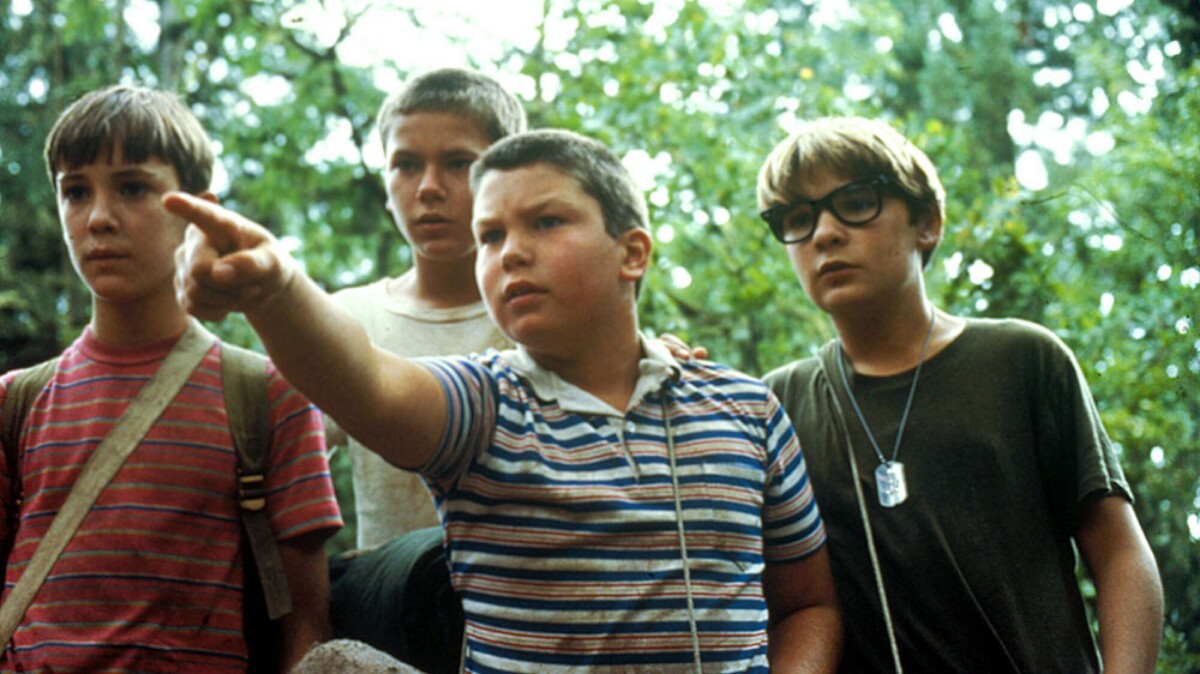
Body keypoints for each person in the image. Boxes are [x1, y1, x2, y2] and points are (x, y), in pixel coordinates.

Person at [169, 128, 843, 672]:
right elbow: (366, 381)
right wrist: (276, 289)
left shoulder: (746, 411)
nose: (510, 253)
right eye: (491, 236)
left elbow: (808, 606)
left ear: (632, 252)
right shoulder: (482, 404)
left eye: (546, 222)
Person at [756, 116, 1164, 673]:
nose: (824, 233)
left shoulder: (1022, 360)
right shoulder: (772, 407)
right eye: (797, 218)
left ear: (926, 223)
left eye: (854, 203)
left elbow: (1118, 553)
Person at [0, 85, 342, 673]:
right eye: (75, 192)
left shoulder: (266, 395)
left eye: (133, 188)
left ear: (197, 208)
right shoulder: (16, 403)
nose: (99, 218)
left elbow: (306, 627)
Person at [330, 67, 523, 548]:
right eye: (407, 164)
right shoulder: (348, 318)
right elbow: (281, 463)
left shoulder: (543, 316)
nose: (429, 188)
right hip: (388, 611)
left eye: (458, 163)